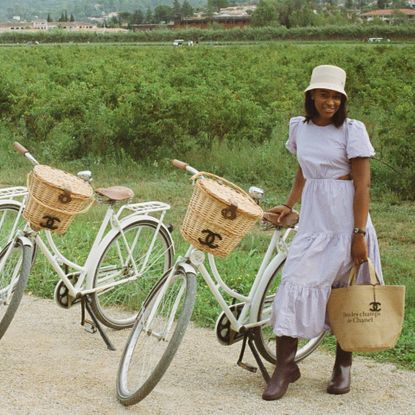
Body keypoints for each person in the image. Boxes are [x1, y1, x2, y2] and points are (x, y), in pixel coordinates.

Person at [262, 65, 383, 400]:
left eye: (336, 96)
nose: (329, 101)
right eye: (324, 94)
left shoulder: (352, 131)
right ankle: (285, 366)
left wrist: (359, 234)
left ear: (342, 100)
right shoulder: (299, 128)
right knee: (294, 283)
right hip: (315, 220)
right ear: (311, 96)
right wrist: (288, 205)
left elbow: (363, 185)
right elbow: (303, 171)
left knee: (346, 290)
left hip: (347, 220)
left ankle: (343, 364)